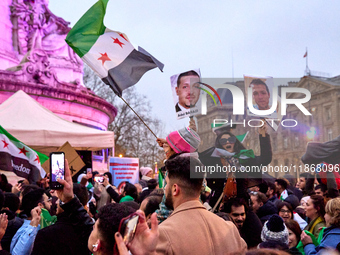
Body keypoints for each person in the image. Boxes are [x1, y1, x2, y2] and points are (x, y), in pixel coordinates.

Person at [155, 155, 247, 254]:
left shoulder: (164, 234)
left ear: (175, 189)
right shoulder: (230, 230)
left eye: (167, 184)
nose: (164, 188)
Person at [200, 122, 272, 208]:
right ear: (219, 144)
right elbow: (196, 158)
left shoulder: (244, 157)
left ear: (235, 142)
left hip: (241, 204)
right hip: (219, 203)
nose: (227, 142)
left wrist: (263, 135)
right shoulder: (213, 159)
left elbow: (265, 159)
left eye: (231, 140)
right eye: (223, 141)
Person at [32, 184, 93, 255]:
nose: (56, 202)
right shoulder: (89, 233)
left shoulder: (46, 234)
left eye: (59, 199)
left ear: (67, 201)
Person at [10, 189, 52, 255]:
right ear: (40, 206)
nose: (51, 203)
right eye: (48, 200)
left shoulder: (43, 225)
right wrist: (33, 225)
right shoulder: (26, 230)